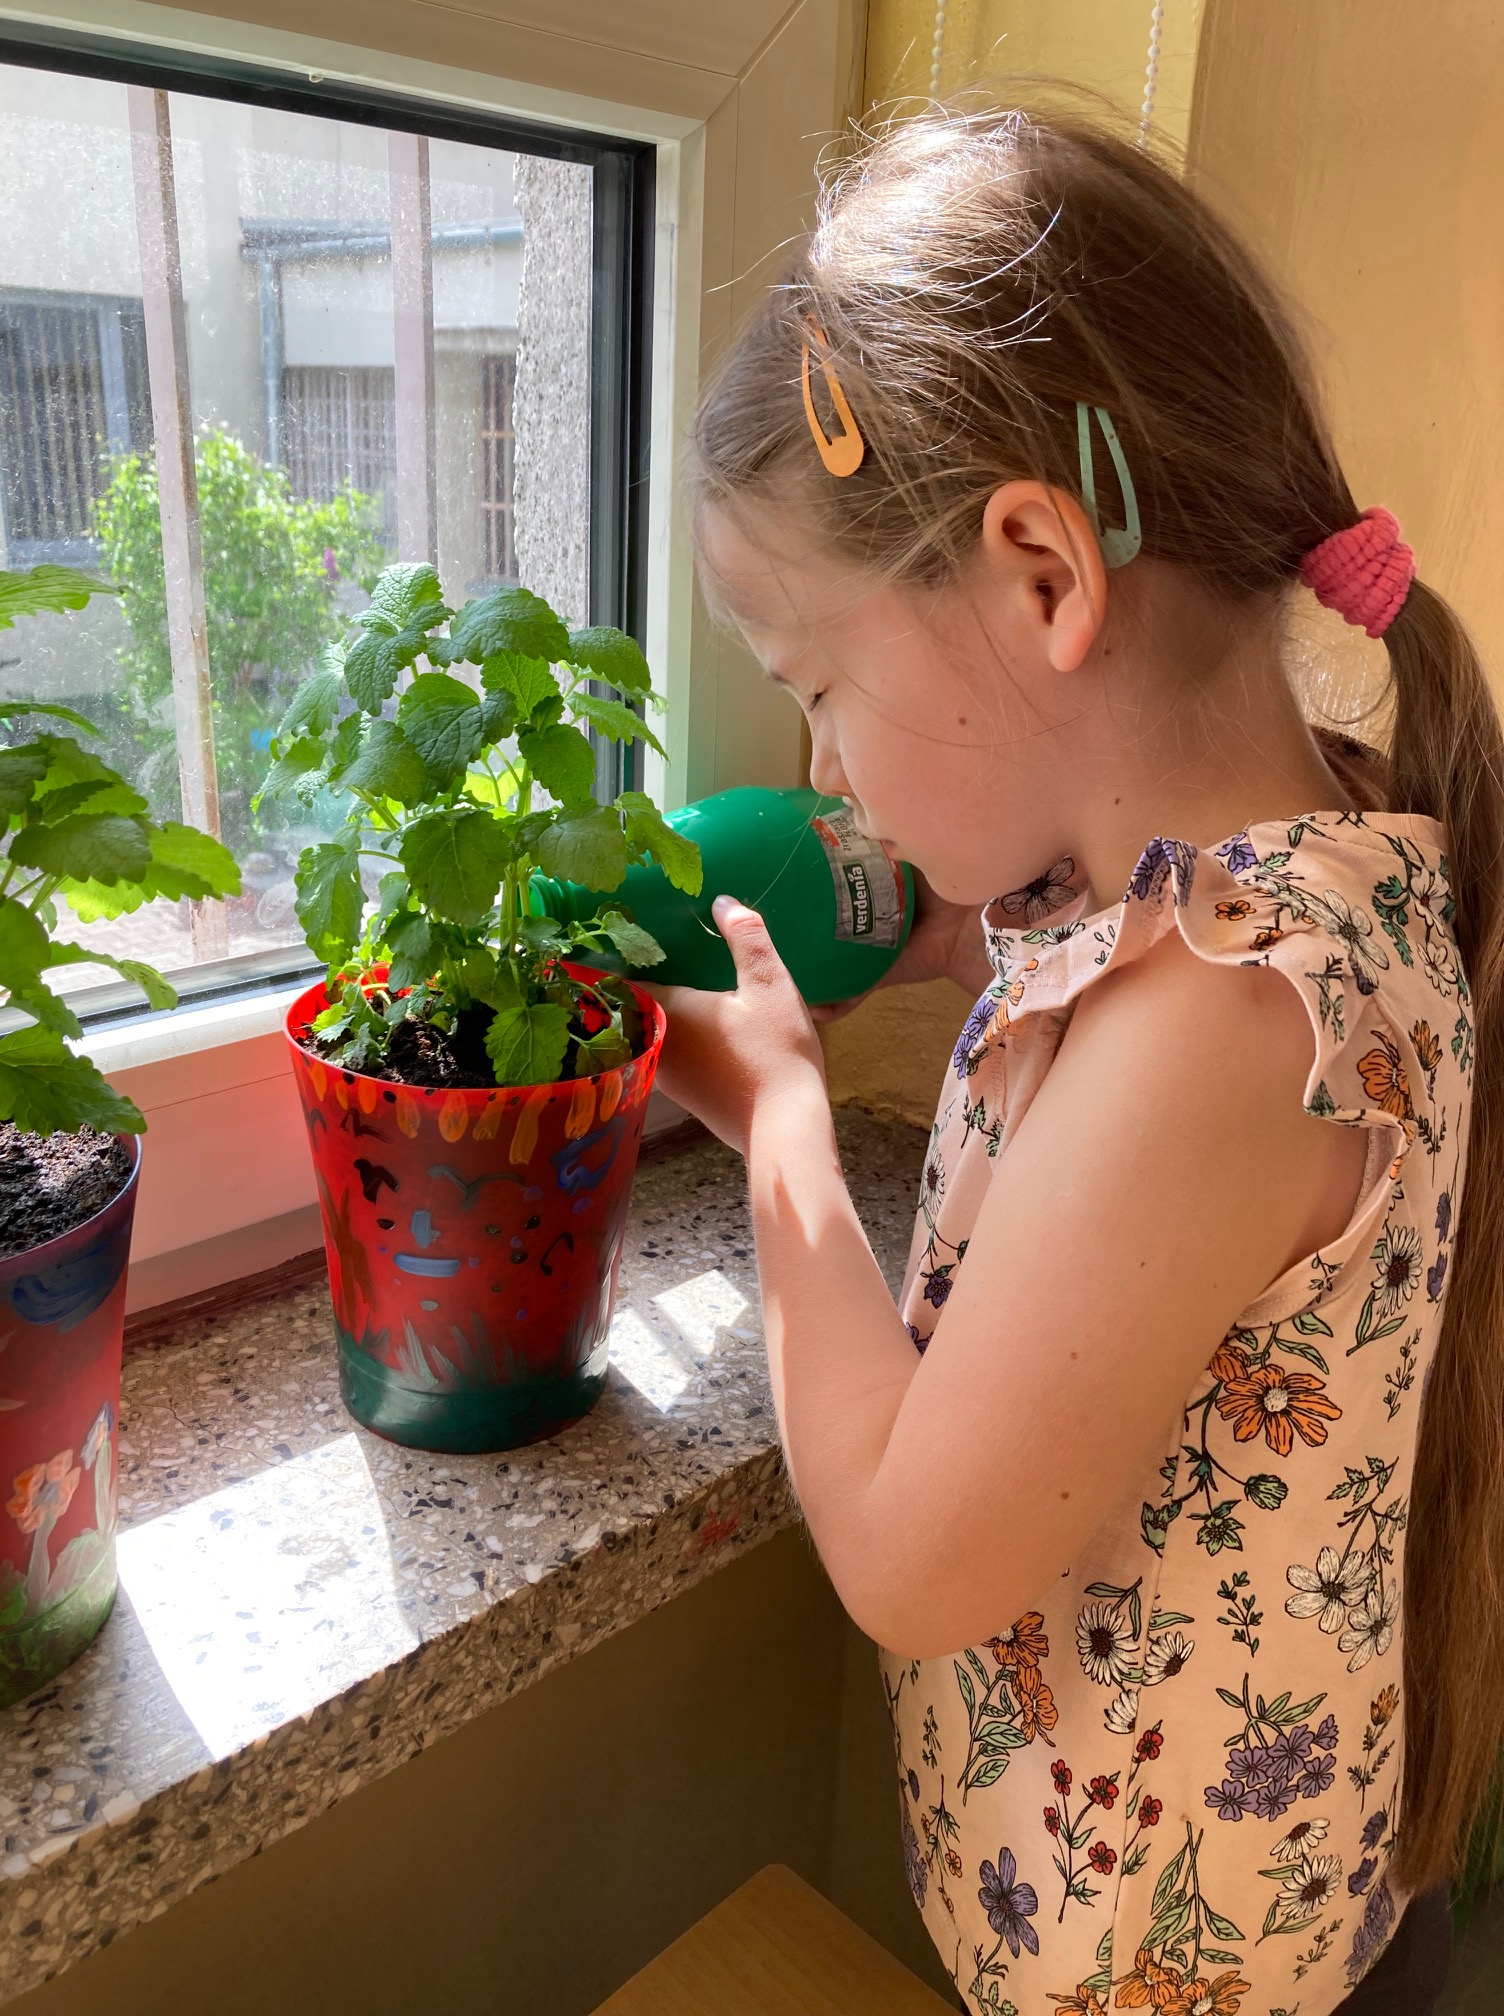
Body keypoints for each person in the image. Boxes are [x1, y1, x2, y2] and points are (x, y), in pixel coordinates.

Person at [647, 106, 1504, 2016]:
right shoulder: (1320, 860)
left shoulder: (1217, 1032)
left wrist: (779, 1116)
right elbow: (1105, 964)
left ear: (1042, 570)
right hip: (1248, 1919)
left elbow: (910, 1557)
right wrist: (945, 925)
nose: (822, 766)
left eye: (817, 685)